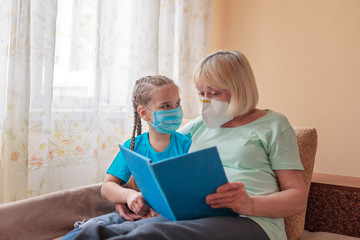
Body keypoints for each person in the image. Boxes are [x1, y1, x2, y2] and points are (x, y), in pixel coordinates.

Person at [73, 50, 307, 240]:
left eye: (214, 93)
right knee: (98, 229)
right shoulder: (198, 126)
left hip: (253, 222)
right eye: (201, 93)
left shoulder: (274, 124)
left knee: (150, 233)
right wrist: (127, 198)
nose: (206, 101)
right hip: (194, 215)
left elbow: (297, 198)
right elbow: (159, 162)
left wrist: (249, 204)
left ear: (239, 89)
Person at [62, 75, 192, 239]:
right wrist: (129, 196)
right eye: (166, 106)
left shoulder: (188, 145)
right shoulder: (133, 146)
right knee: (91, 227)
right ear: (143, 113)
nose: (174, 110)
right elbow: (107, 187)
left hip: (170, 218)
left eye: (177, 103)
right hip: (135, 213)